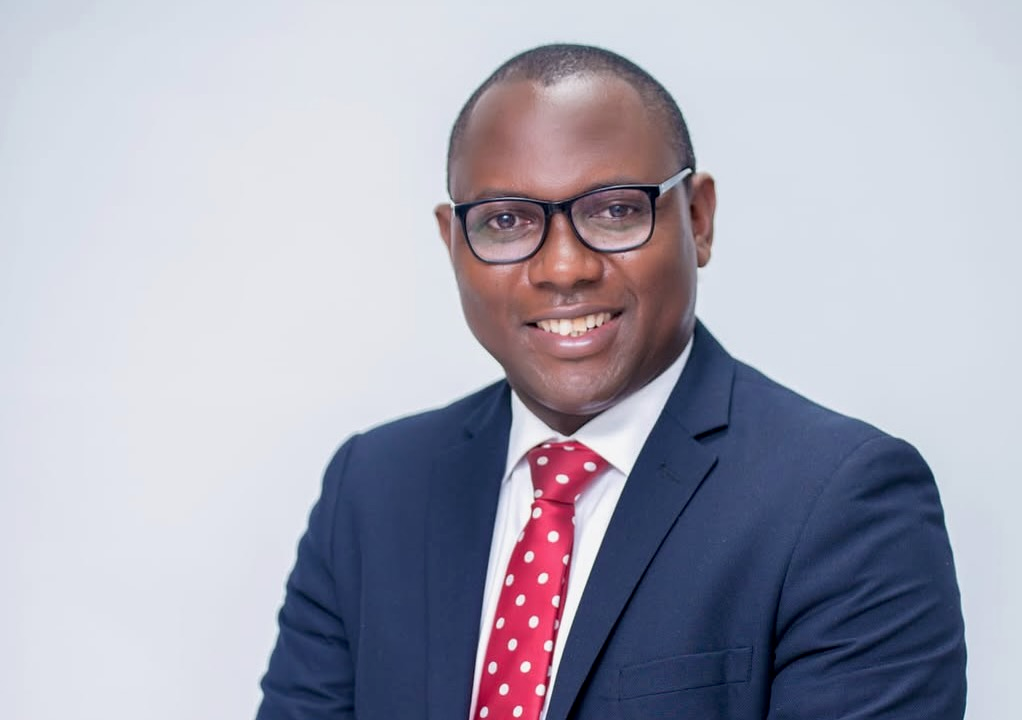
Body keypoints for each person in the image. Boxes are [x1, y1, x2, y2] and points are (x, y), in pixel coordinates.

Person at [256, 44, 966, 720]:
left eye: (615, 210)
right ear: (453, 243)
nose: (564, 267)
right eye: (505, 221)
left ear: (699, 218)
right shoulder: (372, 488)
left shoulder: (842, 503)